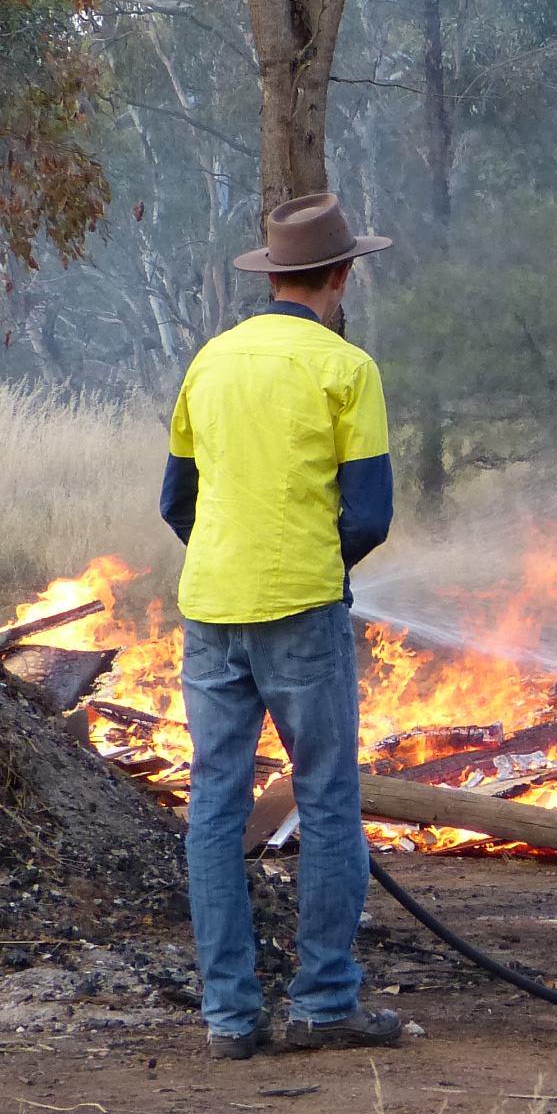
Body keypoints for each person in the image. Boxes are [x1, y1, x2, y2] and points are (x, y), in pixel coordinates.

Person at [161, 192, 409, 1059]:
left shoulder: (210, 361)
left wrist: (229, 560)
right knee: (329, 800)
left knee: (215, 810)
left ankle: (229, 1018)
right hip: (301, 609)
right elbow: (370, 514)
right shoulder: (347, 369)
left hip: (210, 611)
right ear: (340, 276)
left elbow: (176, 500)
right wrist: (310, 566)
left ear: (274, 275)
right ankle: (324, 1004)